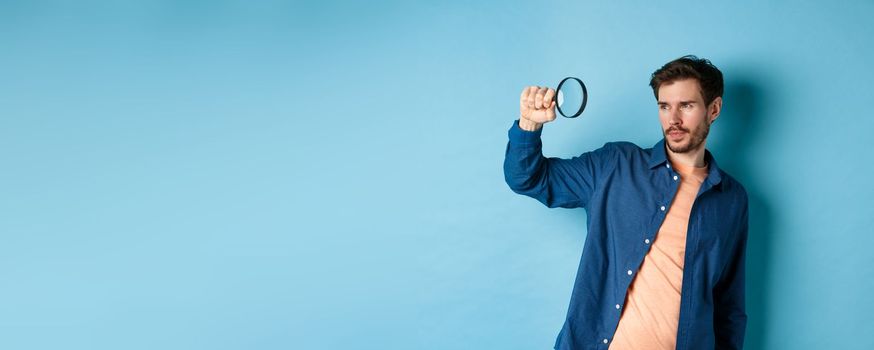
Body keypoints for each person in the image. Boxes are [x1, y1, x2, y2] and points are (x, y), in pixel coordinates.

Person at [503, 55, 748, 350]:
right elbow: (527, 178)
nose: (674, 119)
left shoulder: (731, 198)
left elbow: (728, 305)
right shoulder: (615, 166)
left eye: (687, 105)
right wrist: (529, 124)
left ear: (714, 109)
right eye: (664, 106)